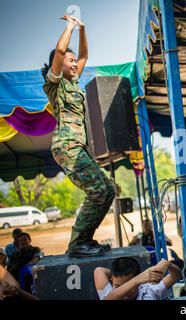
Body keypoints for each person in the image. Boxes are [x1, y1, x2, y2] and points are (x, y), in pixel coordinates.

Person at [41, 15, 115, 258]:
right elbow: (62, 50)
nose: (74, 64)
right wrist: (70, 26)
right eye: (69, 62)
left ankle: (85, 240)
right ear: (59, 64)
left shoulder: (73, 83)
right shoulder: (56, 84)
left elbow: (83, 55)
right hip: (66, 146)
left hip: (78, 147)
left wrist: (83, 29)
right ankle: (76, 244)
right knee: (97, 190)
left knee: (108, 189)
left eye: (74, 62)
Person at [94, 257, 182, 300]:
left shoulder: (149, 290)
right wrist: (135, 280)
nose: (126, 293)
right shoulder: (110, 294)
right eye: (117, 286)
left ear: (140, 282)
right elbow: (99, 270)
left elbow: (176, 276)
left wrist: (167, 264)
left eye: (131, 286)